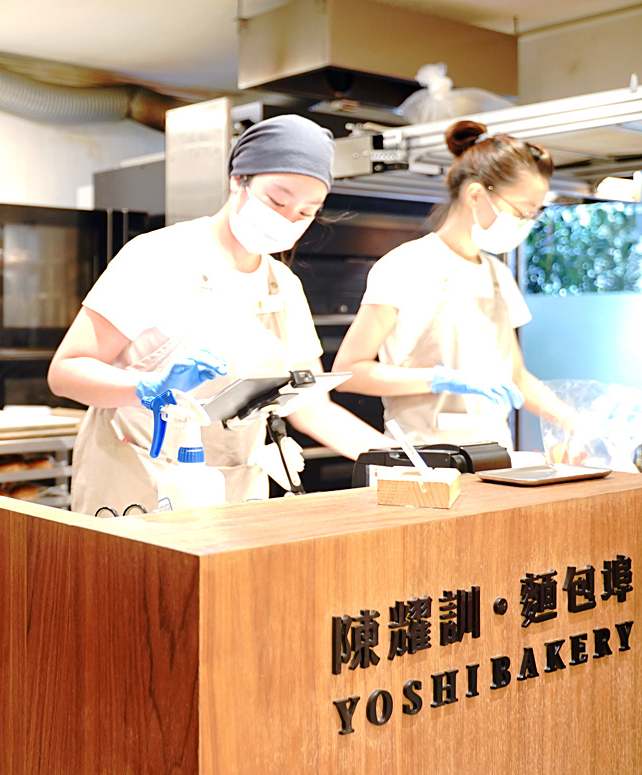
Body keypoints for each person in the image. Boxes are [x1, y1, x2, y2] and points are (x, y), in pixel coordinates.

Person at [48, 115, 396, 516]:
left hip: (237, 493)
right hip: (140, 483)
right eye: (277, 201)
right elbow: (65, 371)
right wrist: (147, 388)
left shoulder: (282, 284)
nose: (287, 220)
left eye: (305, 213)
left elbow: (310, 408)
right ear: (239, 180)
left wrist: (402, 462)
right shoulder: (156, 257)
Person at [333, 120, 576, 448]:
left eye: (533, 215)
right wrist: (439, 379)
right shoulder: (404, 265)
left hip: (495, 456)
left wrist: (574, 423)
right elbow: (350, 371)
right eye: (522, 212)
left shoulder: (498, 274)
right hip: (423, 459)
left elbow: (516, 376)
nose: (525, 224)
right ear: (476, 195)